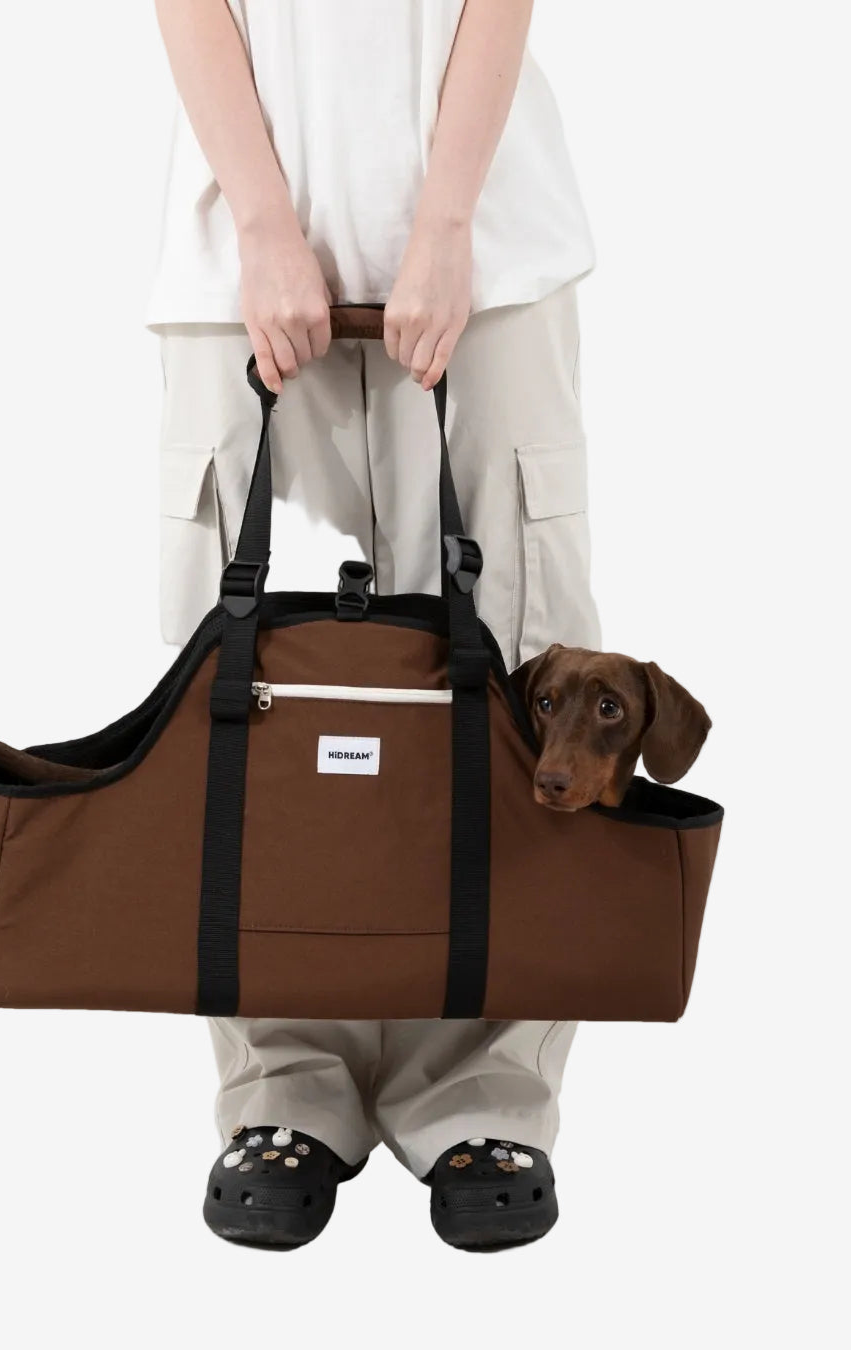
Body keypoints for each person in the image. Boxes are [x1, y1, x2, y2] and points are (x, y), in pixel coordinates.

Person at [150, 0, 598, 1251]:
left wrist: (447, 226)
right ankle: (280, 1084)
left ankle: (486, 1095)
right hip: (234, 253)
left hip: (484, 247)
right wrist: (262, 226)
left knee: (517, 677)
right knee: (226, 697)